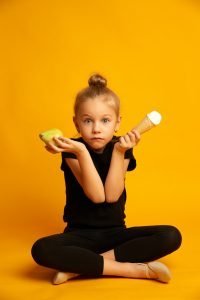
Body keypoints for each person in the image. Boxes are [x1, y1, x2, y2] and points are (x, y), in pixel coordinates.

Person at [31, 73, 182, 285]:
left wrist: (120, 152)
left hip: (116, 236)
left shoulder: (122, 147)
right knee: (41, 249)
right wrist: (82, 152)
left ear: (117, 123)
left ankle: (79, 268)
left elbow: (110, 196)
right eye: (87, 121)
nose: (96, 128)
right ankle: (132, 270)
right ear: (76, 124)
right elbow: (96, 195)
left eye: (105, 120)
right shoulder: (72, 150)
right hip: (79, 238)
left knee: (171, 236)